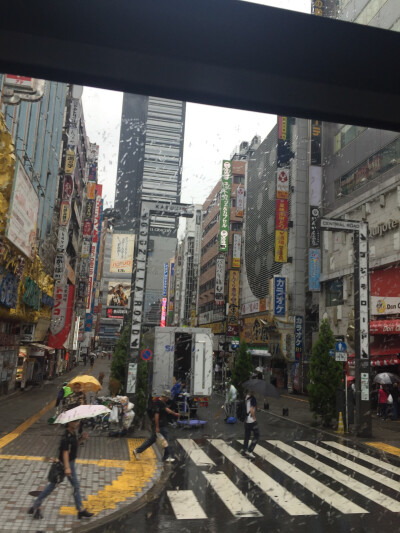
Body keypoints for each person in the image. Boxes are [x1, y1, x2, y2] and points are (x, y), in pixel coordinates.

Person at [28, 420, 93, 520]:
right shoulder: (66, 436)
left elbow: (74, 445)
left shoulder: (72, 433)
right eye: (75, 422)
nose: (77, 423)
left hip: (69, 463)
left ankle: (36, 505)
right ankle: (80, 510)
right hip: (66, 464)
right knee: (74, 485)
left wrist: (82, 439)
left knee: (54, 486)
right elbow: (65, 452)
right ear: (69, 423)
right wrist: (67, 467)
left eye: (78, 422)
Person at [133, 390, 180, 462]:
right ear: (164, 396)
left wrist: (175, 414)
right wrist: (157, 427)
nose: (168, 399)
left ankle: (137, 450)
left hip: (160, 425)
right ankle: (166, 457)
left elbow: (167, 410)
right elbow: (156, 415)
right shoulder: (158, 404)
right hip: (160, 426)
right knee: (165, 441)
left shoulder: (162, 403)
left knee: (152, 440)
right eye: (167, 398)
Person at [240, 389, 259, 459]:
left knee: (247, 435)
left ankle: (244, 450)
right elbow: (251, 410)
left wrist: (256, 406)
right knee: (257, 435)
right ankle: (250, 450)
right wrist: (254, 419)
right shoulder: (253, 399)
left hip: (246, 420)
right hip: (251, 420)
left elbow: (250, 407)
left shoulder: (246, 397)